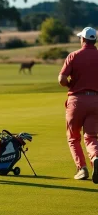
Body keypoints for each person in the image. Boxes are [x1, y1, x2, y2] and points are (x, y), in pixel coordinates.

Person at [58, 27, 98, 183]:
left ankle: (82, 169)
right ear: (94, 41)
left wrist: (70, 86)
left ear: (83, 40)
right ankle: (95, 157)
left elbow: (61, 79)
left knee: (73, 137)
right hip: (95, 101)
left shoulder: (73, 56)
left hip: (76, 101)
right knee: (91, 137)